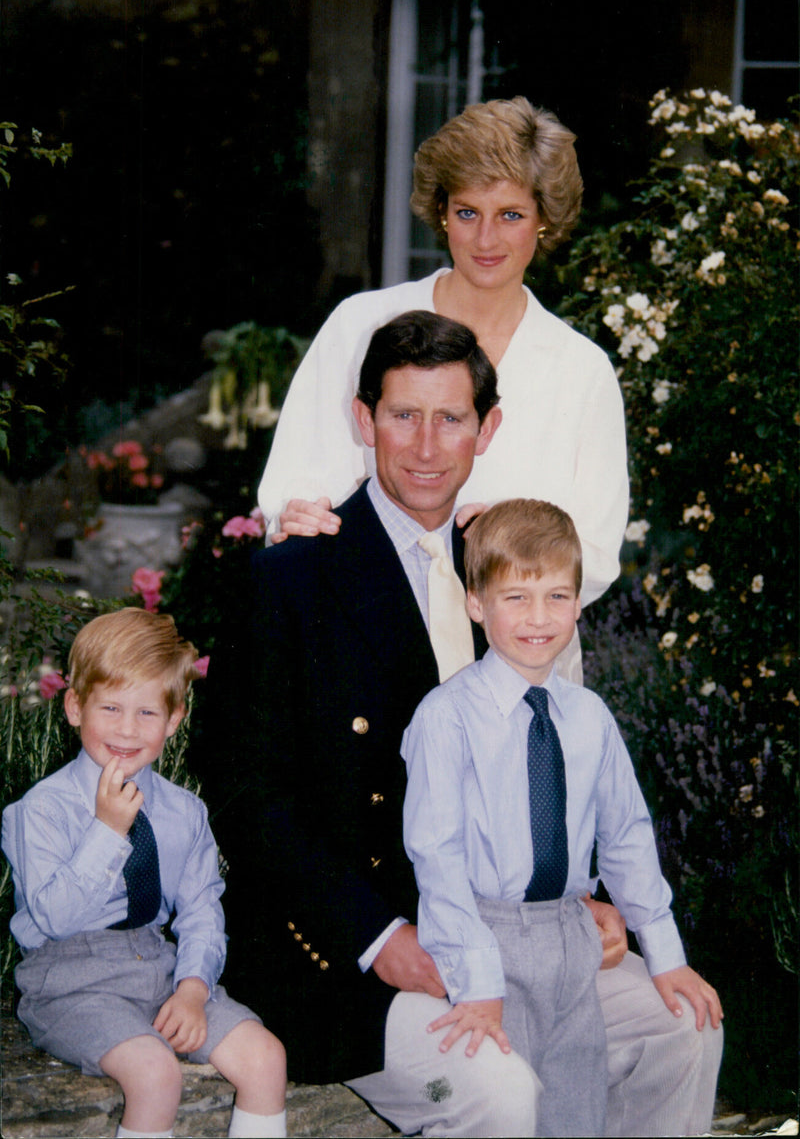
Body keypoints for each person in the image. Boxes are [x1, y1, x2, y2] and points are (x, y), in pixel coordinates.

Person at [198, 314, 721, 1137]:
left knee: (682, 1027)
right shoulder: (291, 578)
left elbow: (554, 758)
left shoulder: (509, 569)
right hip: (354, 951)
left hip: (519, 934)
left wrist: (581, 898)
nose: (426, 445)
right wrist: (379, 937)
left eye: (451, 418)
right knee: (499, 1090)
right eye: (403, 415)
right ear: (364, 419)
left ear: (488, 428)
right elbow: (246, 797)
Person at [400, 500, 723, 1138]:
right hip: (489, 931)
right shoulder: (446, 718)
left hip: (572, 937)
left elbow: (627, 837)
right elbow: (437, 858)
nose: (539, 617)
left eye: (556, 596)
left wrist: (665, 954)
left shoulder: (588, 717)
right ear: (476, 605)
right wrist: (477, 980)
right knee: (513, 1102)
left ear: (578, 604)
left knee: (576, 1109)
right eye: (516, 598)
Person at [257, 96, 628, 643]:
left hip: (516, 650)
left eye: (511, 215)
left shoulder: (582, 370)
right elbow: (297, 486)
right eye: (467, 212)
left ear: (544, 220)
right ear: (441, 212)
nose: (485, 239)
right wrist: (295, 515)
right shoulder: (362, 325)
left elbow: (594, 553)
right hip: (364, 636)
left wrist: (505, 549)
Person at [2, 608, 287, 1139]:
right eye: (110, 707)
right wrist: (108, 831)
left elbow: (202, 910)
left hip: (158, 967)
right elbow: (55, 919)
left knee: (266, 1057)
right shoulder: (41, 810)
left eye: (147, 712)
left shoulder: (184, 812)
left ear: (174, 720)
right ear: (74, 707)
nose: (127, 729)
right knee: (156, 1072)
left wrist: (193, 988)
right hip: (70, 981)